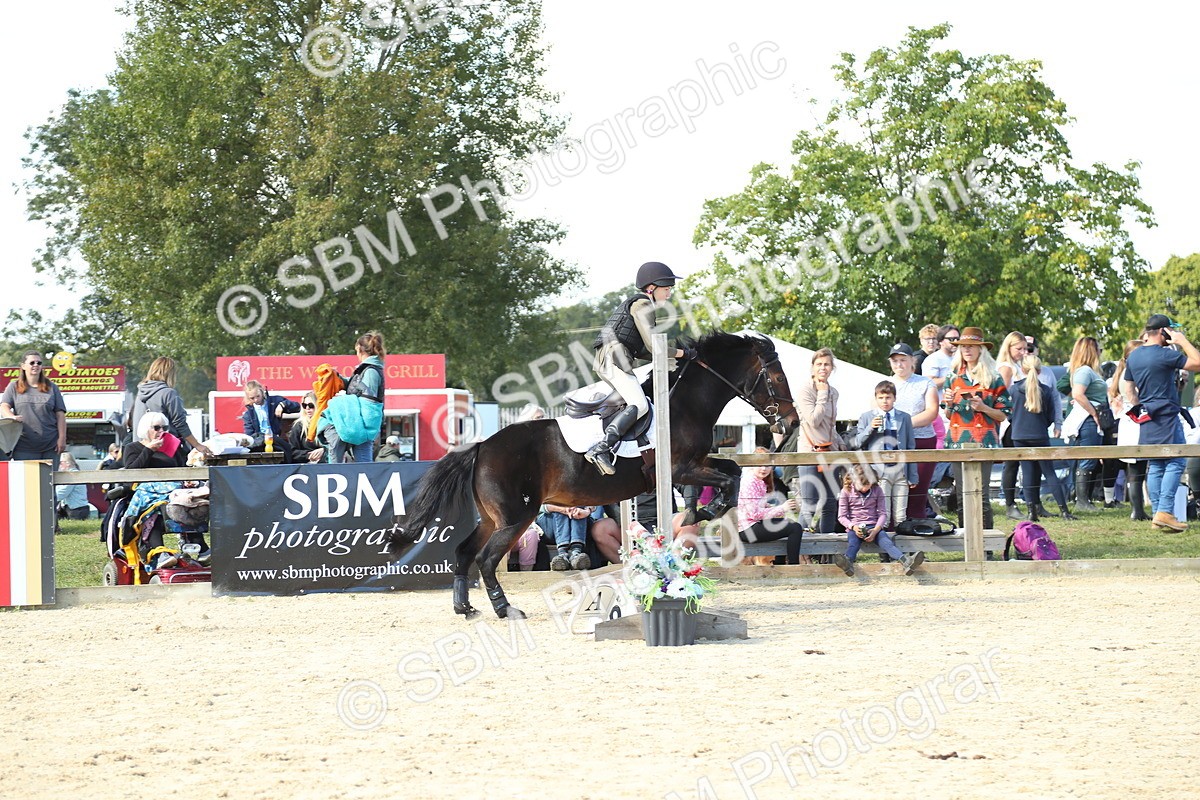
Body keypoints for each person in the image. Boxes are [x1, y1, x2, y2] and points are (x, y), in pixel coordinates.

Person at [587, 261, 693, 475]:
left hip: (613, 357)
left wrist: (672, 358)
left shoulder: (641, 305)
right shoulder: (643, 305)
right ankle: (601, 449)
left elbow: (646, 350)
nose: (669, 294)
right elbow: (655, 345)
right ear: (651, 288)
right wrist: (682, 353)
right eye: (667, 289)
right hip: (614, 358)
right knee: (640, 404)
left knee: (637, 402)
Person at [1122, 314, 1200, 532]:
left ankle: (1158, 513)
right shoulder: (1165, 355)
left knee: (1156, 464)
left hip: (1147, 415)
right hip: (1166, 414)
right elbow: (1198, 362)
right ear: (1163, 331)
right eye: (1170, 330)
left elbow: (1128, 387)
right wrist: (1182, 340)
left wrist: (1141, 406)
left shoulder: (1134, 357)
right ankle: (1165, 511)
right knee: (1176, 461)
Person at [943, 327, 1011, 531]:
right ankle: (966, 544)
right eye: (963, 346)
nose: (967, 350)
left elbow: (1003, 414)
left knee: (981, 496)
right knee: (962, 495)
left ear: (981, 349)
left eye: (971, 346)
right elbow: (949, 415)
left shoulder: (994, 377)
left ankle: (987, 545)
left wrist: (983, 408)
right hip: (956, 441)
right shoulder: (952, 376)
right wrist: (947, 404)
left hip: (985, 441)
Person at [781, 348, 843, 536]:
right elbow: (813, 420)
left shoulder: (834, 392)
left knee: (830, 503)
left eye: (827, 364)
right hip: (810, 451)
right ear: (812, 368)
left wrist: (840, 442)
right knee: (810, 503)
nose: (823, 368)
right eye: (819, 364)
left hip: (830, 452)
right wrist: (822, 395)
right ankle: (801, 548)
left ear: (832, 368)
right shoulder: (805, 390)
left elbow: (830, 425)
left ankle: (826, 549)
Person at [1009, 356, 1076, 520]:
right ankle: (1064, 510)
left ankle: (1032, 512)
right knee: (1049, 472)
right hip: (1038, 433)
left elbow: (1009, 415)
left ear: (1022, 370)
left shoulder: (1013, 389)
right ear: (1040, 371)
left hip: (1019, 435)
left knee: (1027, 473)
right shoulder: (1045, 390)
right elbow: (1050, 416)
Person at [832, 466, 924, 577]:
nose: (865, 488)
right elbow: (841, 516)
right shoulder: (846, 492)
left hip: (874, 526)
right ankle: (847, 562)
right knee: (853, 544)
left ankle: (906, 561)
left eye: (868, 485)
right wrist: (853, 527)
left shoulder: (877, 490)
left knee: (886, 542)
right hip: (855, 527)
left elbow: (882, 513)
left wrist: (876, 529)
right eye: (862, 485)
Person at [886, 343, 939, 519]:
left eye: (903, 360)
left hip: (922, 440)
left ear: (912, 361)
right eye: (895, 361)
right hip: (894, 443)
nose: (899, 364)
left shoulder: (925, 382)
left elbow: (931, 412)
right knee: (893, 491)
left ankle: (917, 529)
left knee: (918, 490)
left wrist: (905, 425)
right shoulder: (885, 384)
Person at [855, 380, 917, 530]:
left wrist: (913, 474)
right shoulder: (867, 417)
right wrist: (871, 428)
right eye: (881, 398)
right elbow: (857, 442)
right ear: (876, 399)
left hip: (901, 470)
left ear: (894, 398)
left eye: (888, 397)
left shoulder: (904, 417)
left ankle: (903, 550)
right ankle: (885, 551)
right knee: (884, 514)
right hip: (880, 471)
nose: (885, 401)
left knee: (901, 515)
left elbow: (911, 447)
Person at [320, 331, 386, 463]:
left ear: (361, 350)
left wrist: (344, 399)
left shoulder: (370, 371)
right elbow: (355, 388)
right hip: (360, 421)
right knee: (364, 461)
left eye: (356, 351)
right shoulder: (367, 369)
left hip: (363, 423)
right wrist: (336, 377)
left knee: (364, 462)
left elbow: (368, 400)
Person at [131, 357, 212, 460]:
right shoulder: (169, 393)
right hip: (164, 451)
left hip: (141, 450)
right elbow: (180, 424)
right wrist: (198, 445)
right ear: (170, 373)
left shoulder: (140, 394)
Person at [736, 447, 804, 565]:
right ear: (752, 465)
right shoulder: (750, 482)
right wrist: (782, 508)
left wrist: (771, 507)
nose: (764, 469)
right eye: (760, 465)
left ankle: (780, 564)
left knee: (786, 523)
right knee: (795, 528)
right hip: (748, 529)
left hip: (750, 525)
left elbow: (755, 507)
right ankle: (793, 565)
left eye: (767, 465)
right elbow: (755, 514)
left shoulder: (758, 481)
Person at [1065, 336, 1110, 512]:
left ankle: (1084, 499)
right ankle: (1082, 501)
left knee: (1089, 459)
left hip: (1090, 419)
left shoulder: (1087, 371)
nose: (1100, 352)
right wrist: (1094, 412)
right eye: (1098, 349)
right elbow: (1077, 394)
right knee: (1087, 459)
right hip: (1088, 420)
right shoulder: (1084, 371)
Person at [0, 350, 67, 460]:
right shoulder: (13, 386)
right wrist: (11, 417)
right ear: (23, 366)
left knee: (49, 477)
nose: (36, 365)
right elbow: (4, 406)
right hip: (23, 446)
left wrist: (62, 438)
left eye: (39, 363)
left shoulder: (52, 387)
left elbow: (60, 415)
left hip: (50, 445)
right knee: (27, 477)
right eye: (32, 363)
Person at [1110, 340, 1148, 521]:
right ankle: (1137, 510)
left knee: (1136, 470)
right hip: (1133, 422)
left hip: (1129, 423)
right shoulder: (1129, 374)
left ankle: (1138, 509)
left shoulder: (1125, 373)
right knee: (1135, 470)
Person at [241, 379, 300, 460]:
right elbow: (249, 434)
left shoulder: (274, 402)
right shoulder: (248, 414)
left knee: (286, 449)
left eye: (258, 396)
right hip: (260, 443)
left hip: (275, 440)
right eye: (252, 398)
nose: (256, 400)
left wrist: (283, 404)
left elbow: (297, 406)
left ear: (262, 391)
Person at [539, 503, 601, 571]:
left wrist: (587, 511)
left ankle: (576, 555)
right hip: (549, 524)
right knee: (561, 504)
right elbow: (540, 507)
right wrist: (563, 509)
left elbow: (594, 503)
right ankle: (563, 555)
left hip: (581, 521)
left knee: (578, 507)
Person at [123, 411, 187, 469]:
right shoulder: (132, 447)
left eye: (165, 428)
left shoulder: (171, 447)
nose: (161, 431)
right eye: (157, 428)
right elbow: (131, 470)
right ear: (145, 429)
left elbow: (181, 468)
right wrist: (149, 450)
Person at [921, 324, 961, 396]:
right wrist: (953, 376)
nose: (955, 342)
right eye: (951, 339)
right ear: (941, 341)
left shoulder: (959, 358)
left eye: (957, 339)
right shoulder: (933, 359)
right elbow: (929, 384)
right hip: (940, 405)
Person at [288, 392, 326, 464]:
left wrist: (324, 450)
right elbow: (292, 451)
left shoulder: (326, 424)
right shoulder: (299, 425)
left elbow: (335, 445)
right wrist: (308, 455)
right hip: (306, 464)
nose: (307, 408)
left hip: (326, 462)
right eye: (304, 405)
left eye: (311, 405)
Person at [55, 452, 91, 521]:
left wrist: (48, 498)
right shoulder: (68, 475)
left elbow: (61, 493)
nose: (59, 465)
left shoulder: (72, 475)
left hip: (77, 510)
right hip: (72, 509)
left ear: (68, 463)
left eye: (60, 462)